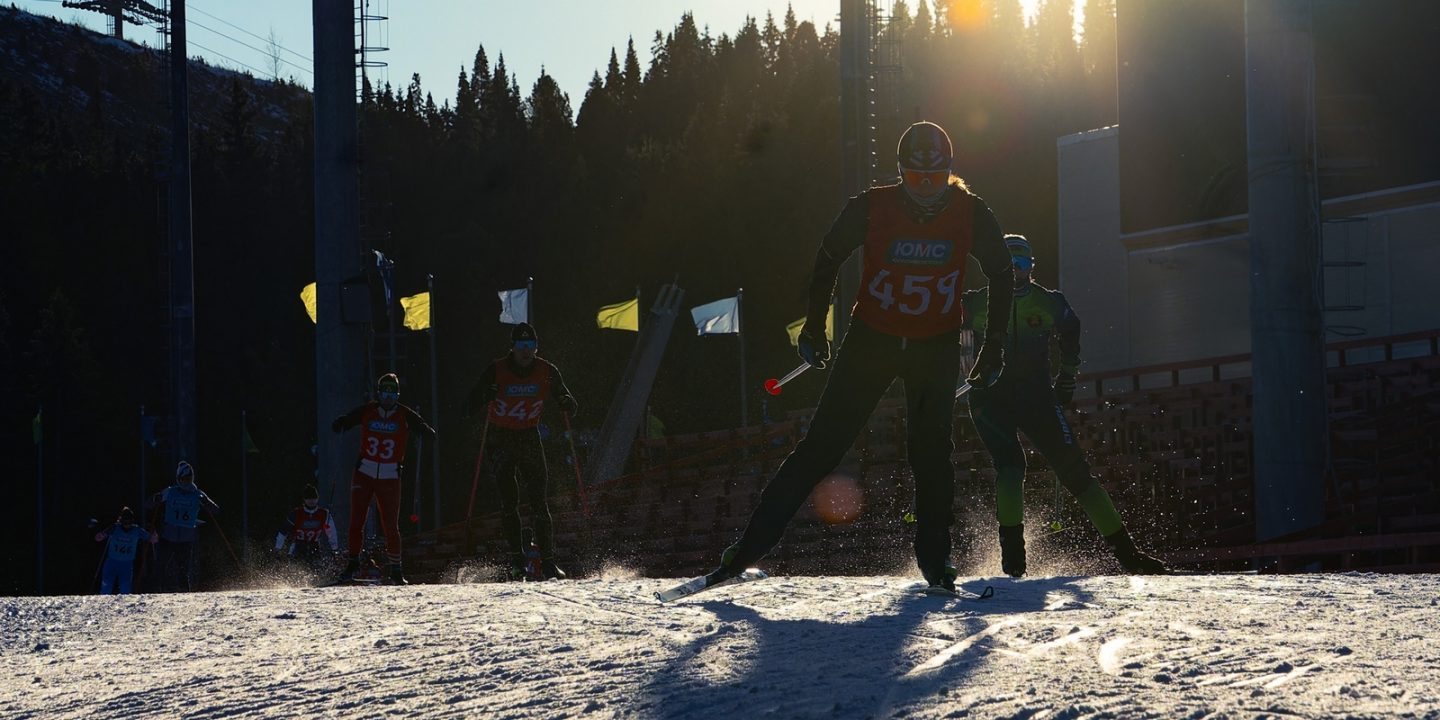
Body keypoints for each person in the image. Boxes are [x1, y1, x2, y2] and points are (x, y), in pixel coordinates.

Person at [706, 121, 1015, 592]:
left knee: (931, 453)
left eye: (935, 179)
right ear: (901, 174)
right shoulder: (872, 206)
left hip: (934, 344)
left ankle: (936, 563)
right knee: (822, 447)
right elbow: (828, 256)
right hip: (872, 340)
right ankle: (746, 550)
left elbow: (1002, 273)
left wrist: (993, 347)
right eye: (916, 178)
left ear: (950, 173)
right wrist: (813, 325)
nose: (927, 190)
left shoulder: (972, 213)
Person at [961, 234, 1168, 576]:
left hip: (1036, 398)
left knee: (1076, 473)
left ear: (1032, 268)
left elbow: (1071, 331)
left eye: (1023, 265)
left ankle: (1129, 556)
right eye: (1009, 265)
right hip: (989, 398)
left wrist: (1067, 377)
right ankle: (1013, 562)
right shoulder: (974, 303)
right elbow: (940, 323)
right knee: (1011, 467)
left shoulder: (1049, 302)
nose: (1016, 273)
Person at [466, 322, 578, 580]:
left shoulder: (547, 370)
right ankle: (518, 562)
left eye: (530, 346)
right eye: (521, 346)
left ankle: (548, 563)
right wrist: (486, 394)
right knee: (509, 502)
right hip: (500, 439)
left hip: (529, 436)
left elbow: (570, 403)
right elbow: (468, 407)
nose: (526, 351)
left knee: (540, 501)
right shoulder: (496, 370)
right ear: (513, 348)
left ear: (536, 347)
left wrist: (566, 402)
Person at [331, 373, 436, 585]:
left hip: (390, 475)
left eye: (393, 391)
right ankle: (352, 563)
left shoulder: (405, 414)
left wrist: (426, 431)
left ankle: (396, 569)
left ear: (397, 394)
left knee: (390, 525)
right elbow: (348, 419)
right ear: (379, 393)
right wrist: (342, 422)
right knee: (356, 520)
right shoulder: (368, 410)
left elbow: (425, 429)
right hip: (364, 472)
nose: (388, 396)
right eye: (385, 391)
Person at [148, 461, 220, 592]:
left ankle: (185, 595)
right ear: (178, 479)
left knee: (183, 570)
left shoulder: (198, 494)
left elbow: (215, 510)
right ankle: (156, 592)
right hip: (168, 536)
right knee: (161, 566)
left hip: (186, 539)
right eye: (183, 479)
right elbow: (148, 504)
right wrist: (155, 498)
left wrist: (207, 502)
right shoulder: (170, 492)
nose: (186, 483)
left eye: (188, 479)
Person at [274, 484, 339, 570]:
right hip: (298, 547)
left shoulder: (324, 514)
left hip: (314, 546)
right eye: (309, 498)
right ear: (304, 500)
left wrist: (335, 549)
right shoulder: (296, 514)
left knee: (317, 567)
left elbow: (331, 532)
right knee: (296, 568)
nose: (311, 501)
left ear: (317, 499)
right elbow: (283, 532)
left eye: (314, 498)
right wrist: (278, 548)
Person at [94, 506, 146, 594]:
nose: (126, 525)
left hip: (127, 564)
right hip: (112, 562)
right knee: (106, 587)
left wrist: (154, 535)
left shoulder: (137, 530)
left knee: (125, 589)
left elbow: (152, 538)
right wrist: (100, 535)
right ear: (121, 521)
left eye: (129, 522)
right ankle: (103, 604)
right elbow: (99, 537)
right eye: (125, 522)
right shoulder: (114, 528)